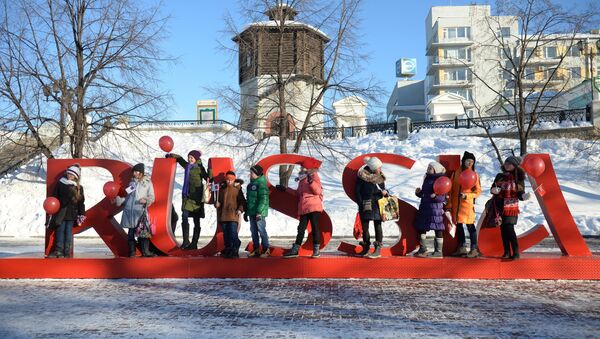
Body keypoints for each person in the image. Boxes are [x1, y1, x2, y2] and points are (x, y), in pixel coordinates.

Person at [280, 159, 324, 258]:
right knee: (301, 228)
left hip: (313, 206)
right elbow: (298, 194)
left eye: (303, 167)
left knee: (315, 228)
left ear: (308, 168)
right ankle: (295, 250)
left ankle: (316, 250)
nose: (301, 168)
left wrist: (311, 182)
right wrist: (285, 189)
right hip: (304, 207)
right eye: (301, 167)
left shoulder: (314, 177)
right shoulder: (302, 179)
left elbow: (317, 191)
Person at [167, 150, 209, 250]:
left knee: (196, 220)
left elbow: (208, 178)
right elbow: (180, 159)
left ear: (196, 159)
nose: (190, 159)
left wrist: (210, 170)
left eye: (192, 158)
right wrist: (170, 155)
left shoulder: (199, 168)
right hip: (187, 197)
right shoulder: (187, 166)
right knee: (184, 217)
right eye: (189, 157)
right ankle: (186, 241)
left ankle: (194, 243)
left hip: (197, 199)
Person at [491, 156, 530, 260]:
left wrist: (523, 196)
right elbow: (493, 187)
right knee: (503, 229)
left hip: (511, 207)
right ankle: (507, 251)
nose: (507, 165)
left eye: (510, 164)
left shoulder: (519, 177)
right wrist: (493, 190)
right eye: (506, 163)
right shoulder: (500, 176)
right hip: (499, 206)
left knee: (509, 228)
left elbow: (520, 191)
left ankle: (516, 252)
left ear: (515, 165)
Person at [114, 163, 156, 257]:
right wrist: (120, 200)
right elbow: (128, 197)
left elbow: (152, 197)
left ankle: (146, 252)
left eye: (137, 172)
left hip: (140, 212)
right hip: (129, 212)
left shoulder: (147, 183)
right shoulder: (131, 183)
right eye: (134, 172)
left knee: (143, 233)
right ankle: (132, 252)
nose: (135, 174)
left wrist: (146, 200)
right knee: (130, 233)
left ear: (141, 172)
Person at [447, 151, 482, 258]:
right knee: (459, 225)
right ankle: (462, 247)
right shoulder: (456, 173)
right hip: (456, 205)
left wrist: (467, 196)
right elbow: (450, 190)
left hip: (467, 206)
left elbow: (478, 191)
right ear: (463, 161)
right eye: (468, 161)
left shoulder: (474, 175)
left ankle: (474, 248)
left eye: (472, 161)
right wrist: (449, 204)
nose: (470, 163)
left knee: (470, 226)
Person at [47, 164, 85, 258]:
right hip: (61, 213)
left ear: (75, 176)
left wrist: (82, 214)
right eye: (68, 173)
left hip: (72, 214)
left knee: (68, 232)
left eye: (72, 175)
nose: (69, 175)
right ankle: (58, 251)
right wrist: (52, 208)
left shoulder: (79, 187)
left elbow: (81, 202)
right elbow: (54, 197)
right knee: (60, 231)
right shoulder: (60, 183)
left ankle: (67, 252)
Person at [355, 156, 388, 258]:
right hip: (366, 204)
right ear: (373, 167)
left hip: (378, 205)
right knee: (365, 227)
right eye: (379, 167)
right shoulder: (362, 176)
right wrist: (361, 203)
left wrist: (385, 193)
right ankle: (366, 248)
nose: (380, 169)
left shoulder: (380, 177)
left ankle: (377, 249)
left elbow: (384, 191)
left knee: (377, 225)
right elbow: (358, 191)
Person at [414, 161, 448, 258]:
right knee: (421, 227)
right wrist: (419, 193)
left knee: (437, 228)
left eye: (430, 168)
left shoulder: (440, 180)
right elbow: (425, 194)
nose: (428, 169)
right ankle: (423, 249)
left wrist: (435, 197)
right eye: (428, 167)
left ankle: (438, 251)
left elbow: (442, 197)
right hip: (425, 207)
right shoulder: (427, 179)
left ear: (435, 170)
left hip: (435, 209)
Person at [216, 171, 246, 258]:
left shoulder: (237, 190)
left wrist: (240, 209)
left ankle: (235, 248)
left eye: (231, 180)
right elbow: (220, 202)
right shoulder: (222, 190)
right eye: (227, 180)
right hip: (224, 215)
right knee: (226, 234)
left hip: (233, 215)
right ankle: (228, 249)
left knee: (233, 233)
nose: (229, 181)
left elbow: (242, 202)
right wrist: (217, 203)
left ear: (234, 180)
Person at [246, 164, 271, 258]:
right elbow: (249, 200)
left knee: (261, 230)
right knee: (253, 231)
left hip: (259, 213)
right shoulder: (250, 185)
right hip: (252, 212)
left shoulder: (261, 185)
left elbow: (264, 199)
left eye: (252, 172)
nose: (250, 174)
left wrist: (259, 211)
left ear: (257, 173)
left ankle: (266, 249)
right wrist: (247, 211)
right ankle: (256, 249)